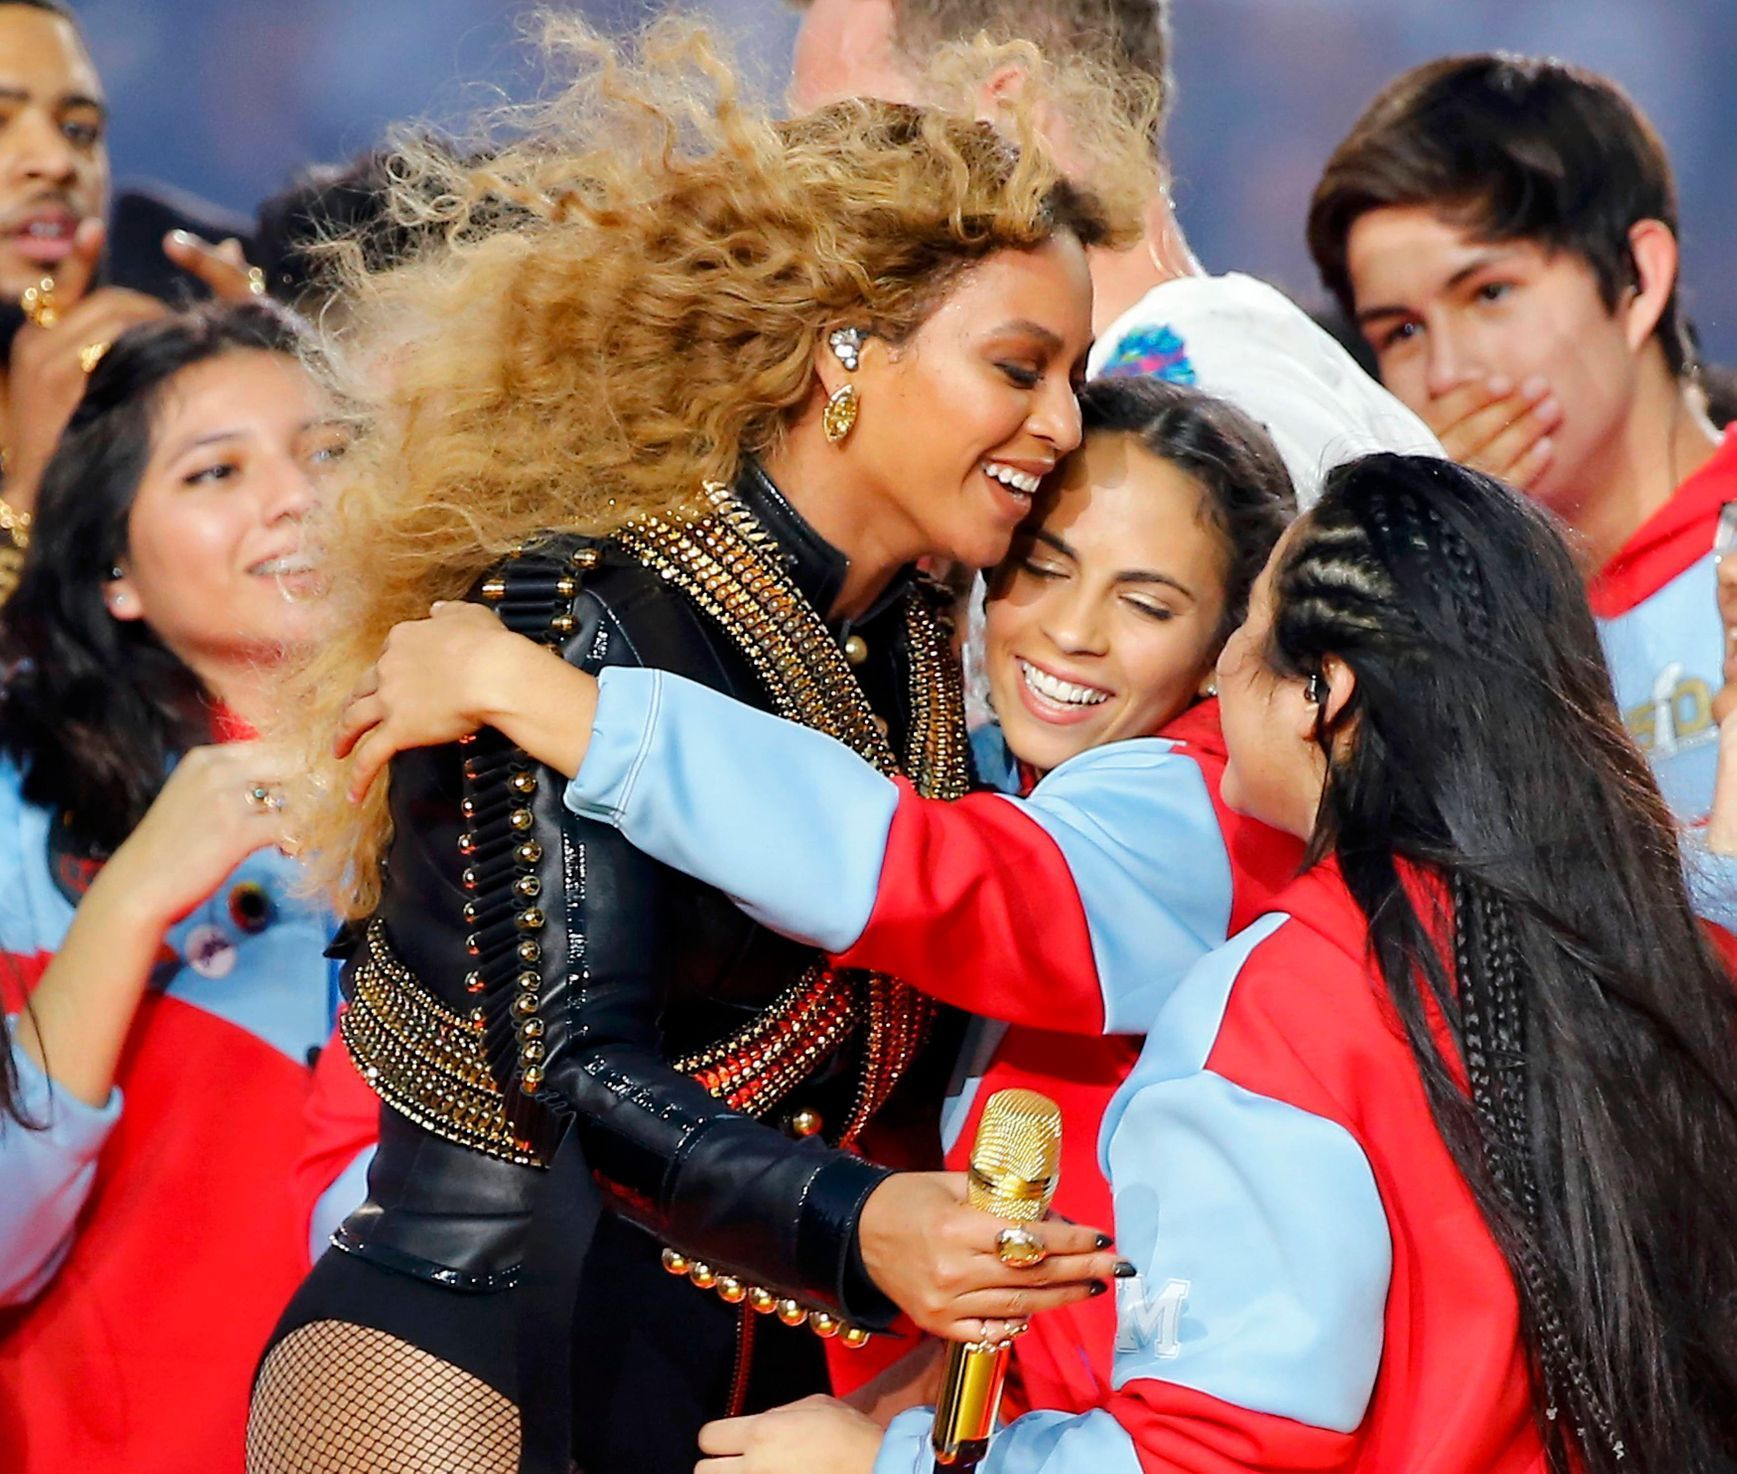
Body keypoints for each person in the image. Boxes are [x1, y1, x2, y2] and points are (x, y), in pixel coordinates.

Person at [246, 23, 1152, 1474]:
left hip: (764, 1374)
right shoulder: (568, 621)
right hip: (469, 1343)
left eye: (1074, 375)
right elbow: (574, 1071)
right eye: (1018, 366)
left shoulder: (920, 629)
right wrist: (861, 1221)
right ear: (845, 351)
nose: (1060, 422)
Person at [702, 455, 1737, 1473]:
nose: (1221, 674)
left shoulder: (1294, 1002)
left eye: (1244, 630)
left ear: (1321, 693)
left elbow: (1211, 1453)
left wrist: (870, 1464)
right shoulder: (1650, 949)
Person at [321, 375, 1304, 1415]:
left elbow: (938, 876)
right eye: (1041, 569)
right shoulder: (997, 769)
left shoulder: (1211, 814)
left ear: (1228, 649)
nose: (1071, 630)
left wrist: (543, 695)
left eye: (1147, 603)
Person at [0, 303, 344, 1473]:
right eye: (217, 471)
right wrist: (134, 894)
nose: (296, 496)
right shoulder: (22, 809)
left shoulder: (488, 780)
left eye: (330, 451)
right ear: (115, 572)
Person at [786, 0, 1439, 504]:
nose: (803, 192)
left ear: (1006, 116)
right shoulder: (1236, 364)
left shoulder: (1204, 408)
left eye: (846, 137)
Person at [1307, 54, 1733, 821]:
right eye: (1400, 330)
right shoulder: (1406, 634)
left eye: (1489, 293)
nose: (1445, 370)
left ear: (1637, 276)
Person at [0, 0, 268, 599]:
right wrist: (30, 498)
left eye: (79, 131)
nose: (56, 163)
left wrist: (268, 399)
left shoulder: (152, 337)